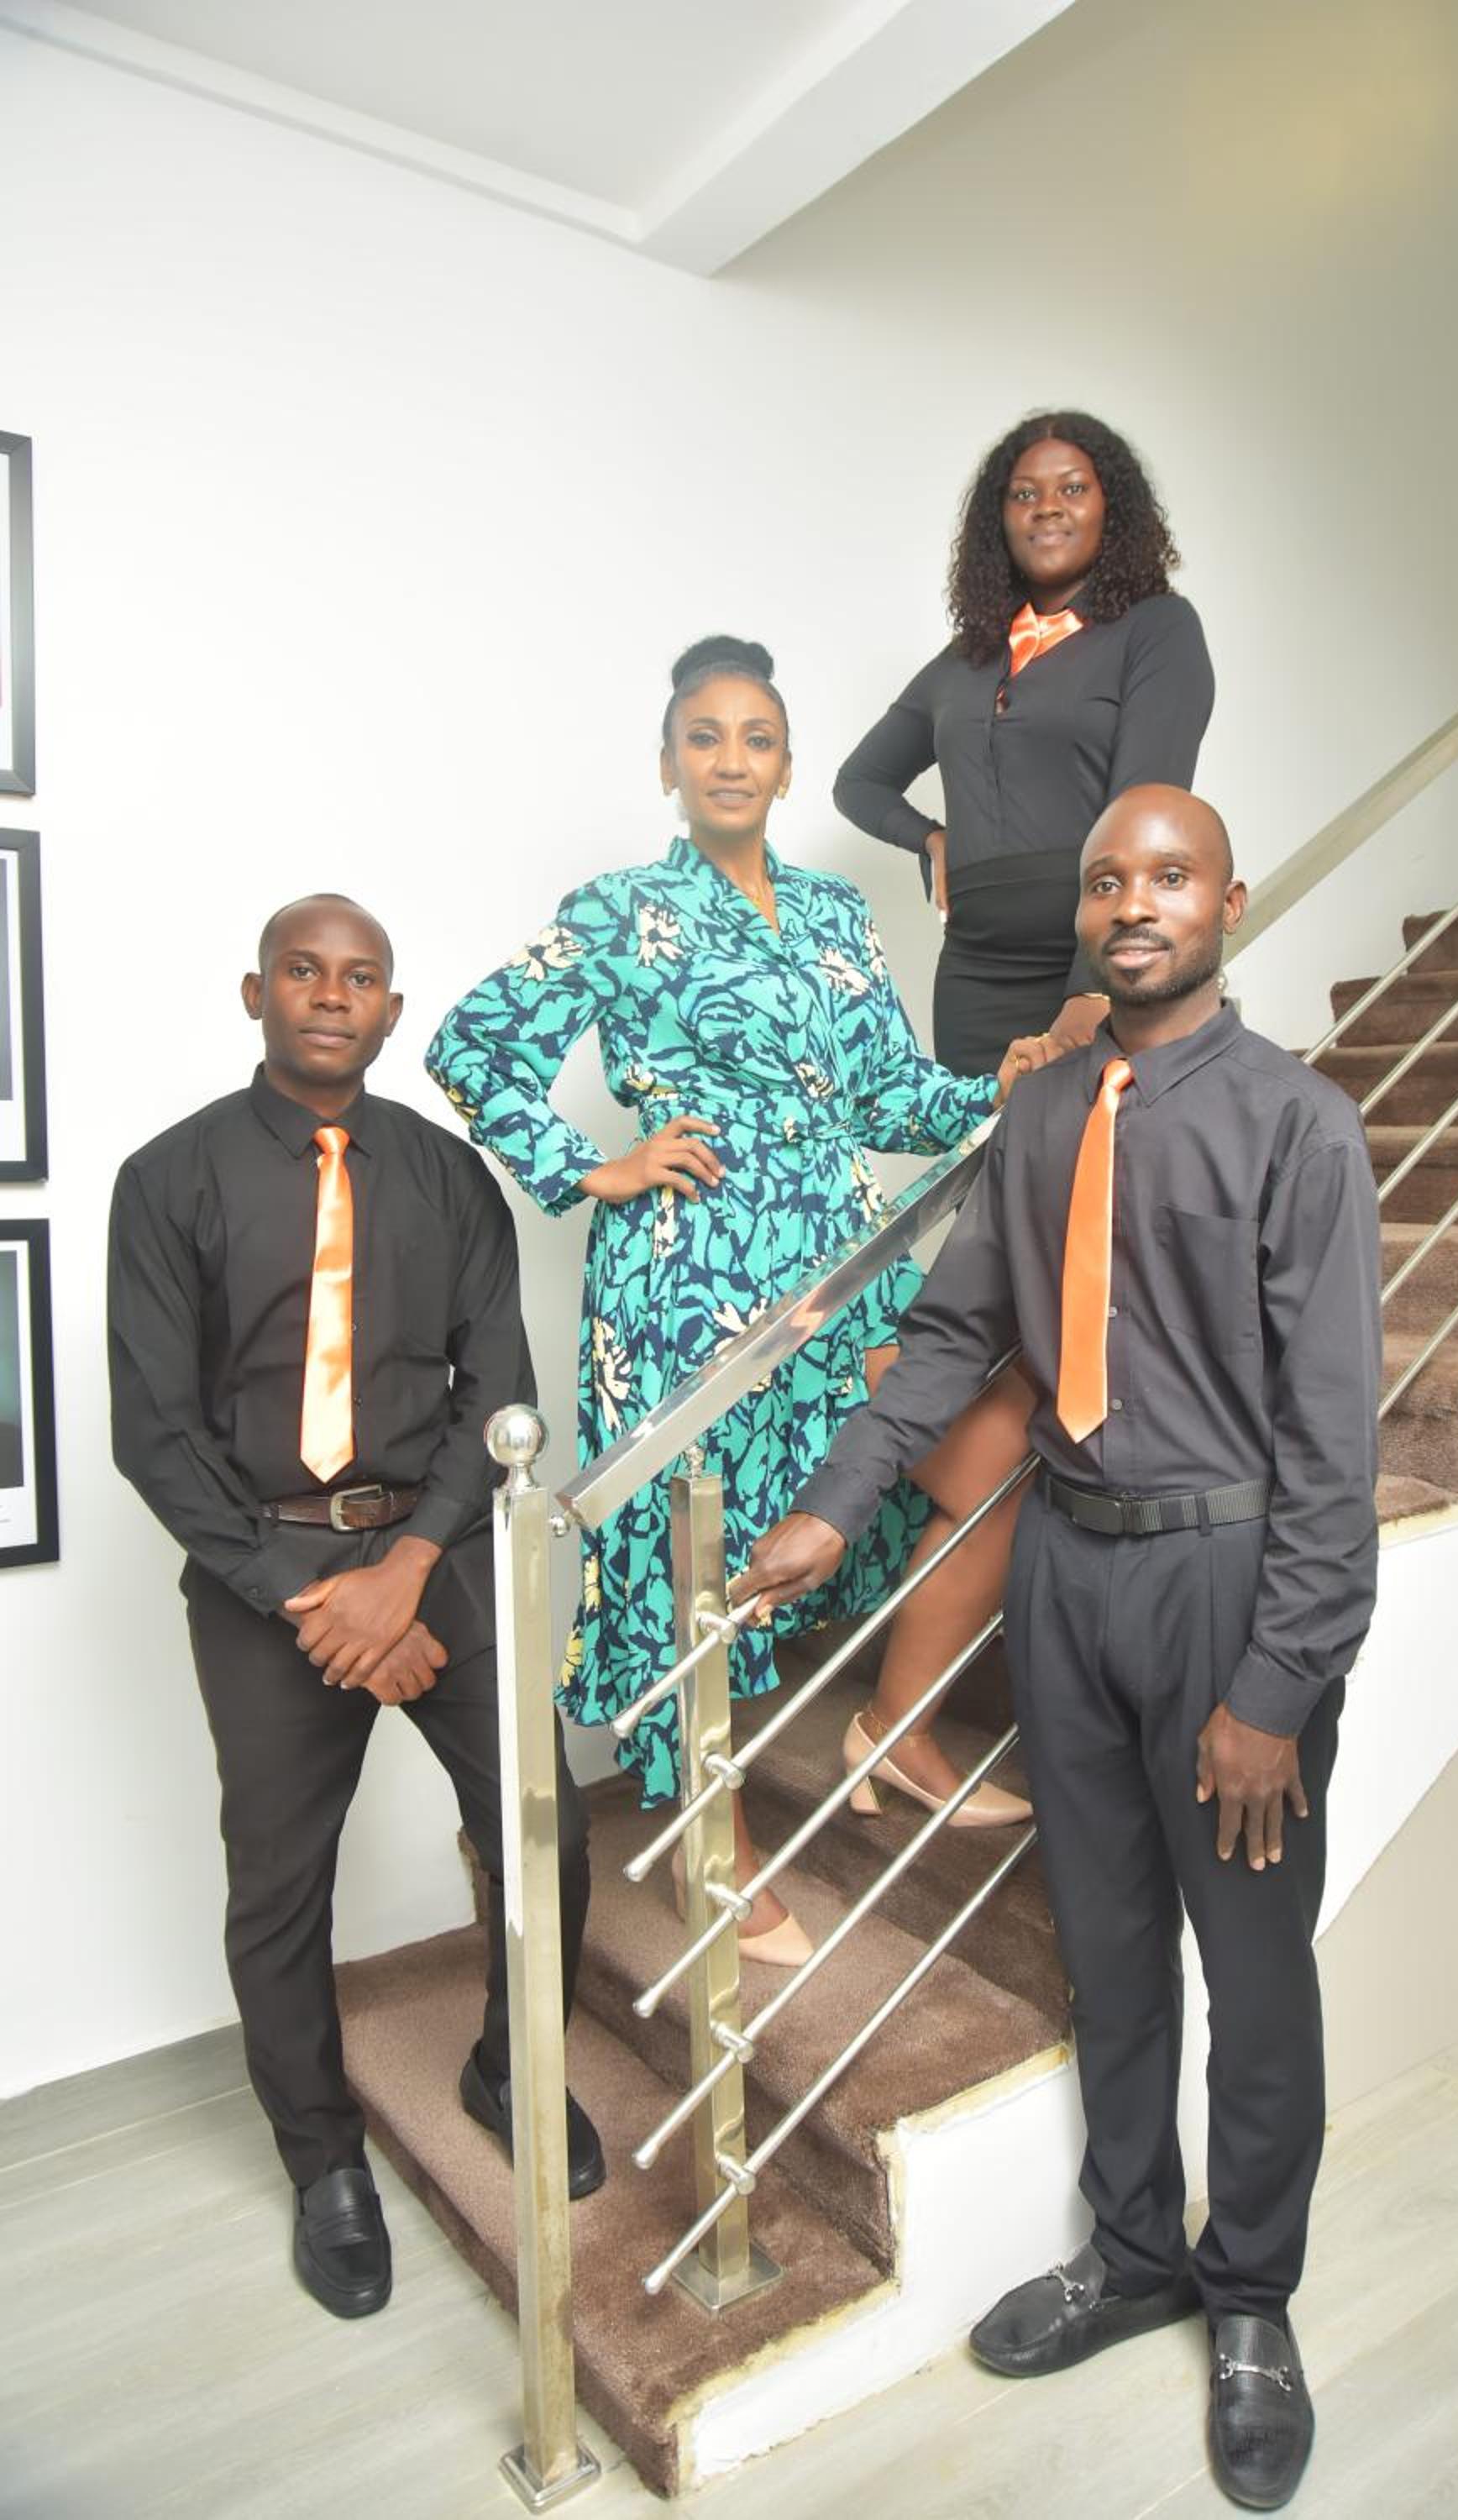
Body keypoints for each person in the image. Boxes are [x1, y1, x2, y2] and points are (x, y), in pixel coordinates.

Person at [738, 787, 1381, 2511]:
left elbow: (1331, 1447)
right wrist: (831, 1507)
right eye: (1106, 880)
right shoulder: (1036, 1120)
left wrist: (1276, 1685)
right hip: (1065, 1574)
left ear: (1225, 901)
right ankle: (1133, 2253)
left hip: (1224, 1584)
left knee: (1252, 1974)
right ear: (1083, 915)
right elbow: (954, 1337)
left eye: (1167, 874)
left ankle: (1250, 2302)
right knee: (1107, 1949)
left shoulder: (1296, 1125)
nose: (1131, 902)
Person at [427, 638, 1059, 1962]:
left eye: (755, 738)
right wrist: (590, 1167)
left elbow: (888, 1097)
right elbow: (470, 1045)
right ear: (667, 765)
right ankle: (708, 1844)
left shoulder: (834, 913)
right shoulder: (617, 911)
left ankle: (894, 1724)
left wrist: (991, 1086)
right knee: (693, 1554)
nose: (730, 760)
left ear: (784, 765)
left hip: (839, 1268)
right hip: (682, 1284)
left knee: (993, 1453)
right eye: (703, 738)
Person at [108, 894, 602, 2325]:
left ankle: (510, 2067)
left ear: (391, 1011)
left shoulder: (449, 1179)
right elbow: (155, 1431)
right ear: (254, 994)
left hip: (433, 1552)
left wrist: (407, 1570)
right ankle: (323, 2159)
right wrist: (306, 1597)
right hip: (262, 1573)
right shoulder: (169, 1180)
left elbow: (498, 1396)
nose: (332, 993)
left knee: (545, 1829)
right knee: (280, 1887)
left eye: (361, 976)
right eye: (304, 971)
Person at [833, 410, 1215, 1079]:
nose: (1047, 508)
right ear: (1000, 520)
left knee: (1100, 1141)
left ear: (1111, 509)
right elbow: (859, 782)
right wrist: (931, 839)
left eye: (1073, 488)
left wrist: (1093, 987)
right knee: (981, 1147)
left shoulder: (1158, 629)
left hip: (1098, 959)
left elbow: (1144, 816)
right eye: (1024, 494)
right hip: (973, 973)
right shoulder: (964, 660)